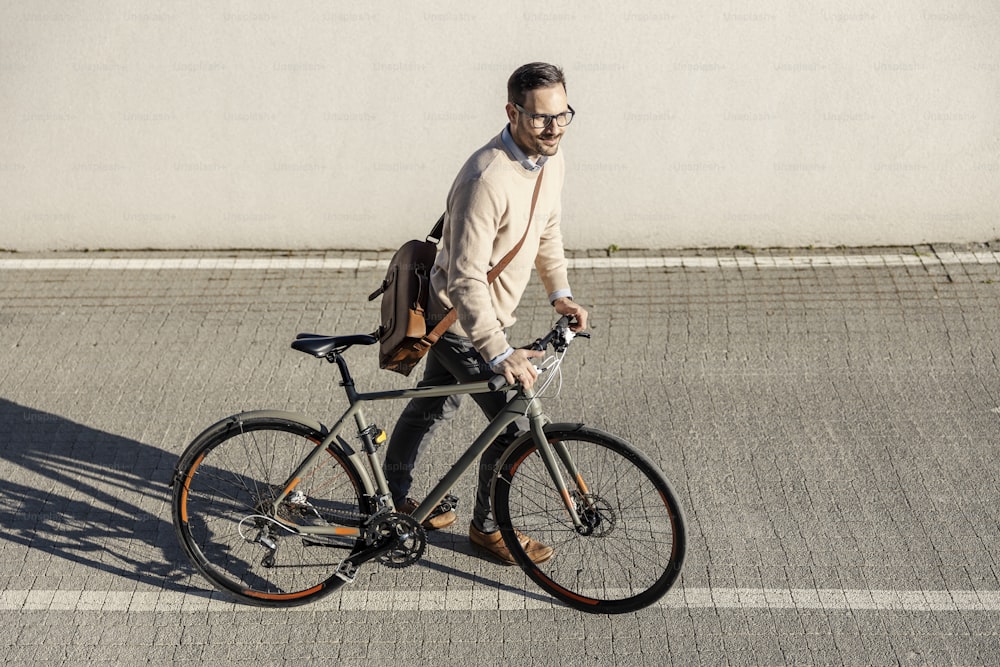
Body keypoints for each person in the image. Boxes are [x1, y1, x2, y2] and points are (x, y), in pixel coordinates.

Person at [383, 62, 589, 565]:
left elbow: (546, 229)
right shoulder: (486, 177)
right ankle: (487, 529)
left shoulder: (549, 158)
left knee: (434, 403)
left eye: (563, 115)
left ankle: (392, 498)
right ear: (512, 113)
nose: (554, 128)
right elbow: (465, 278)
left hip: (481, 317)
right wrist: (498, 352)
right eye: (542, 118)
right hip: (461, 321)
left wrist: (559, 293)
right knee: (513, 429)